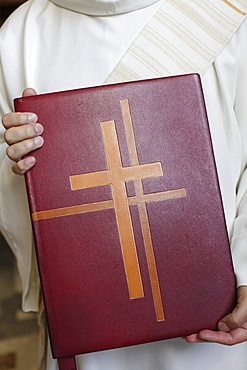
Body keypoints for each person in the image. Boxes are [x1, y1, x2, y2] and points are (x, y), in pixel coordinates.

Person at [1, 0, 247, 369]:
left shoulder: (226, 12)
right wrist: (23, 162)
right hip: (89, 329)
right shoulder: (19, 36)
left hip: (213, 315)